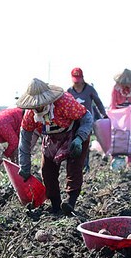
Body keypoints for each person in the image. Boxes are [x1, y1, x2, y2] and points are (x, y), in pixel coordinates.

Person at [16, 78, 93, 215]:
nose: (39, 107)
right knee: (47, 171)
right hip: (51, 137)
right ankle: (56, 205)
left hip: (73, 133)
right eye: (36, 105)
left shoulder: (64, 103)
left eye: (42, 103)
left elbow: (87, 117)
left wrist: (80, 138)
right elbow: (25, 141)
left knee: (74, 168)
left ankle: (70, 201)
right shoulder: (30, 115)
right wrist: (24, 166)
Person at [68, 67, 107, 171]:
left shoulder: (89, 89)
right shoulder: (69, 91)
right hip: (74, 121)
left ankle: (85, 165)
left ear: (82, 78)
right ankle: (74, 165)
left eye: (79, 79)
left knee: (85, 142)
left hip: (87, 121)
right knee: (73, 142)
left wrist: (103, 114)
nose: (77, 82)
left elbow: (98, 102)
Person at [111, 69, 131, 166]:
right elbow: (113, 103)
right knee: (117, 136)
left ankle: (130, 161)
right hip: (118, 115)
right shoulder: (116, 89)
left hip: (130, 114)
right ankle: (115, 158)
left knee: (130, 136)